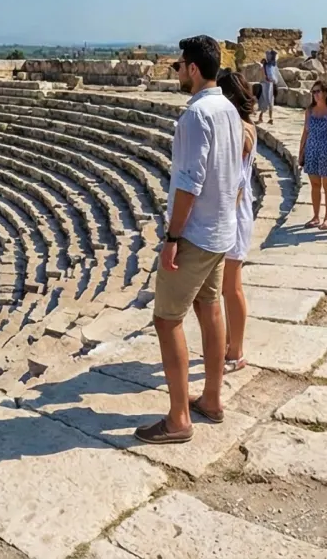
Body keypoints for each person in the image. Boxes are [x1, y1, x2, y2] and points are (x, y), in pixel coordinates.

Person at [138, 35, 240, 445]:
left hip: (196, 233)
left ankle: (179, 417)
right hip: (221, 231)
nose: (178, 72)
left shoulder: (196, 116)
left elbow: (189, 182)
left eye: (180, 66)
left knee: (166, 320)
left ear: (194, 69)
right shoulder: (230, 109)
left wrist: (172, 237)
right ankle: (211, 399)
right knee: (209, 307)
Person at [215, 71, 258, 374]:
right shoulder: (240, 126)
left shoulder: (243, 130)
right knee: (227, 287)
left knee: (232, 286)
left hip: (237, 211)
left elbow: (237, 177)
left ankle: (237, 351)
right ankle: (231, 343)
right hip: (234, 210)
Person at [298, 82, 327, 228]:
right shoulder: (310, 111)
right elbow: (305, 132)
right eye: (313, 92)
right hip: (311, 150)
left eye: (317, 91)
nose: (315, 94)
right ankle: (316, 216)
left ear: (325, 93)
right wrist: (301, 152)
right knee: (315, 185)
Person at [258, 50, 278, 126]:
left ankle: (270, 118)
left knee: (270, 102)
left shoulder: (272, 65)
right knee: (266, 101)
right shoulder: (265, 66)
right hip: (265, 85)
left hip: (271, 85)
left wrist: (273, 81)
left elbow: (274, 75)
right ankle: (261, 116)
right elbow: (264, 75)